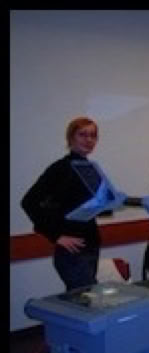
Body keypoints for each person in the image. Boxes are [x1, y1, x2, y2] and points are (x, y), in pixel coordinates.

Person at [21, 117, 101, 291]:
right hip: (72, 252)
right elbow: (29, 202)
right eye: (82, 135)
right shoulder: (61, 168)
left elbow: (83, 206)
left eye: (93, 135)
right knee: (86, 300)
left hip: (90, 246)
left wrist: (110, 202)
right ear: (71, 138)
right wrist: (56, 236)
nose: (89, 140)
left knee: (85, 299)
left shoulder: (90, 168)